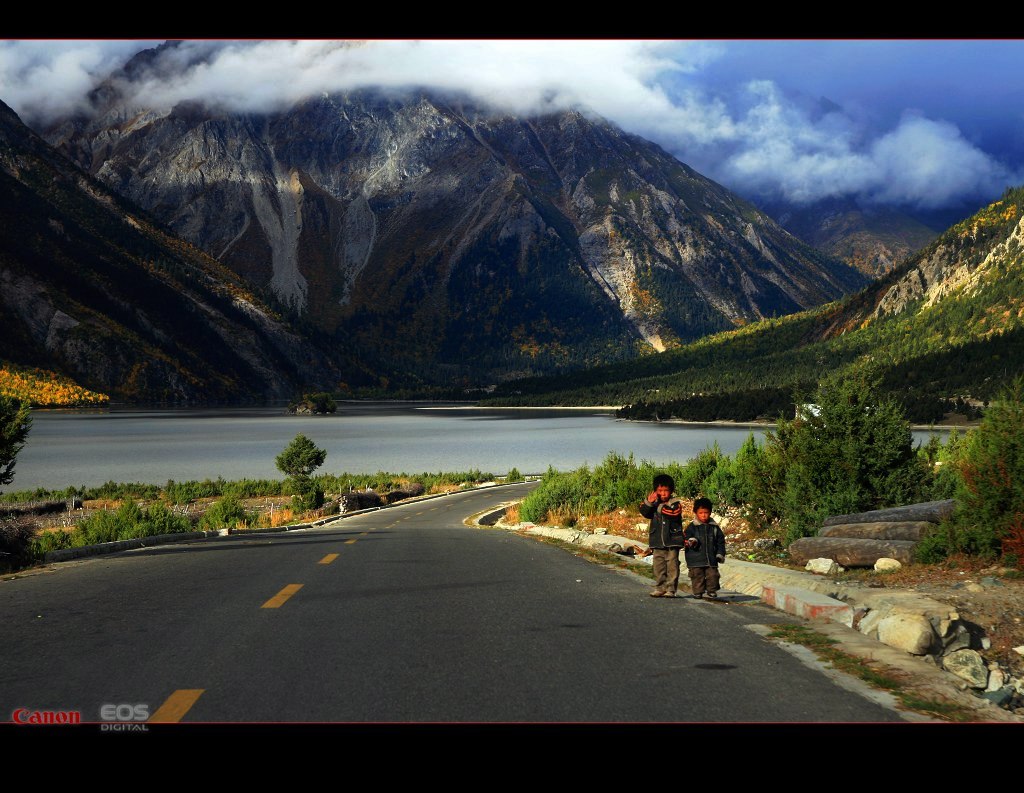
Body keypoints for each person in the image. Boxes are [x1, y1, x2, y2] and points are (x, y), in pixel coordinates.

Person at [639, 473, 686, 597]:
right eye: (660, 491)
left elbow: (673, 513)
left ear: (671, 491)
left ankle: (671, 589)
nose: (663, 493)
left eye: (666, 491)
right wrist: (649, 502)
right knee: (658, 566)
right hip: (657, 541)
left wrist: (659, 507)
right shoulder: (653, 504)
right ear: (655, 491)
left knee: (672, 566)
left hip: (672, 540)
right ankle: (660, 587)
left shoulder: (675, 503)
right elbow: (644, 512)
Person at [683, 496, 727, 599]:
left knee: (713, 575)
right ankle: (698, 592)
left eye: (706, 513)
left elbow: (720, 542)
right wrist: (691, 542)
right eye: (701, 513)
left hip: (711, 558)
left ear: (710, 512)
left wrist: (720, 554)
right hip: (695, 559)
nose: (703, 515)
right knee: (697, 576)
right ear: (696, 513)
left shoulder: (714, 527)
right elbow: (686, 538)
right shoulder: (691, 527)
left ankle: (712, 590)